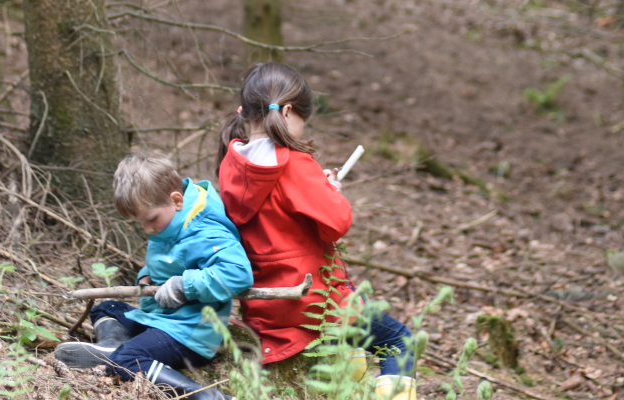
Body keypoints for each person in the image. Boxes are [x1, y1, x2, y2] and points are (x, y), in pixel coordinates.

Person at [216, 62, 416, 400]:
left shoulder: (231, 164)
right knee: (400, 341)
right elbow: (337, 223)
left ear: (245, 112)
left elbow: (277, 216)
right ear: (289, 111)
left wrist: (315, 190)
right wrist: (331, 192)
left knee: (356, 306)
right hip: (312, 303)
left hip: (267, 305)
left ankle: (349, 367)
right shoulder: (294, 162)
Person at [55, 152, 253, 400]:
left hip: (189, 333)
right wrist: (147, 276)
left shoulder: (206, 231)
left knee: (128, 360)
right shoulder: (169, 222)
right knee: (106, 309)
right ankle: (113, 349)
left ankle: (210, 397)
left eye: (150, 220)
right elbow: (167, 263)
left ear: (177, 200)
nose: (147, 229)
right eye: (140, 223)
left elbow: (238, 273)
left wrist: (185, 286)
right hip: (160, 320)